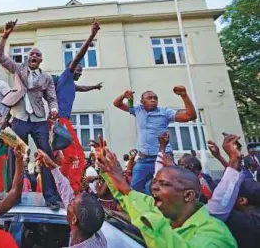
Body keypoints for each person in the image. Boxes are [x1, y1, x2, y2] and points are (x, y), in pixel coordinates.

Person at [91, 137, 237, 248]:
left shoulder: (215, 234)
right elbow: (127, 197)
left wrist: (126, 188)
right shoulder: (163, 211)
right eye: (155, 182)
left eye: (163, 184)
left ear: (188, 195)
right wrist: (107, 170)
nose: (153, 188)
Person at [0, 19, 61, 209]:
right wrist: (5, 34)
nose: (34, 56)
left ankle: (50, 196)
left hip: (39, 120)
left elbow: (52, 98)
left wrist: (54, 109)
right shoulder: (18, 69)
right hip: (18, 118)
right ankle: (12, 195)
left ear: (40, 60)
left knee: (46, 154)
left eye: (37, 55)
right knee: (13, 153)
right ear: (27, 58)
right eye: (31, 54)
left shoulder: (46, 77)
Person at [113, 86, 197, 194]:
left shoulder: (165, 112)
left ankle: (159, 209)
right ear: (142, 102)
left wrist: (184, 96)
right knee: (134, 188)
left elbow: (190, 116)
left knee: (161, 188)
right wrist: (124, 96)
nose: (153, 100)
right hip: (143, 159)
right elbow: (117, 104)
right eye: (149, 98)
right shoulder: (138, 110)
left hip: (162, 157)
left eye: (155, 98)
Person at [51, 21, 102, 194]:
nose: (79, 72)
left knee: (68, 157)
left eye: (81, 71)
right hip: (60, 121)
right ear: (71, 69)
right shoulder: (66, 76)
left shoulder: (71, 85)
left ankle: (62, 183)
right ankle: (72, 189)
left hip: (60, 121)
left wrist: (94, 87)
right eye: (77, 70)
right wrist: (92, 36)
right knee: (79, 156)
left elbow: (82, 88)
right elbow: (78, 57)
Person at [35, 150, 107, 247]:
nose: (69, 201)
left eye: (72, 203)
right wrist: (52, 166)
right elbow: (66, 192)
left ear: (74, 219)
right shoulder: (96, 234)